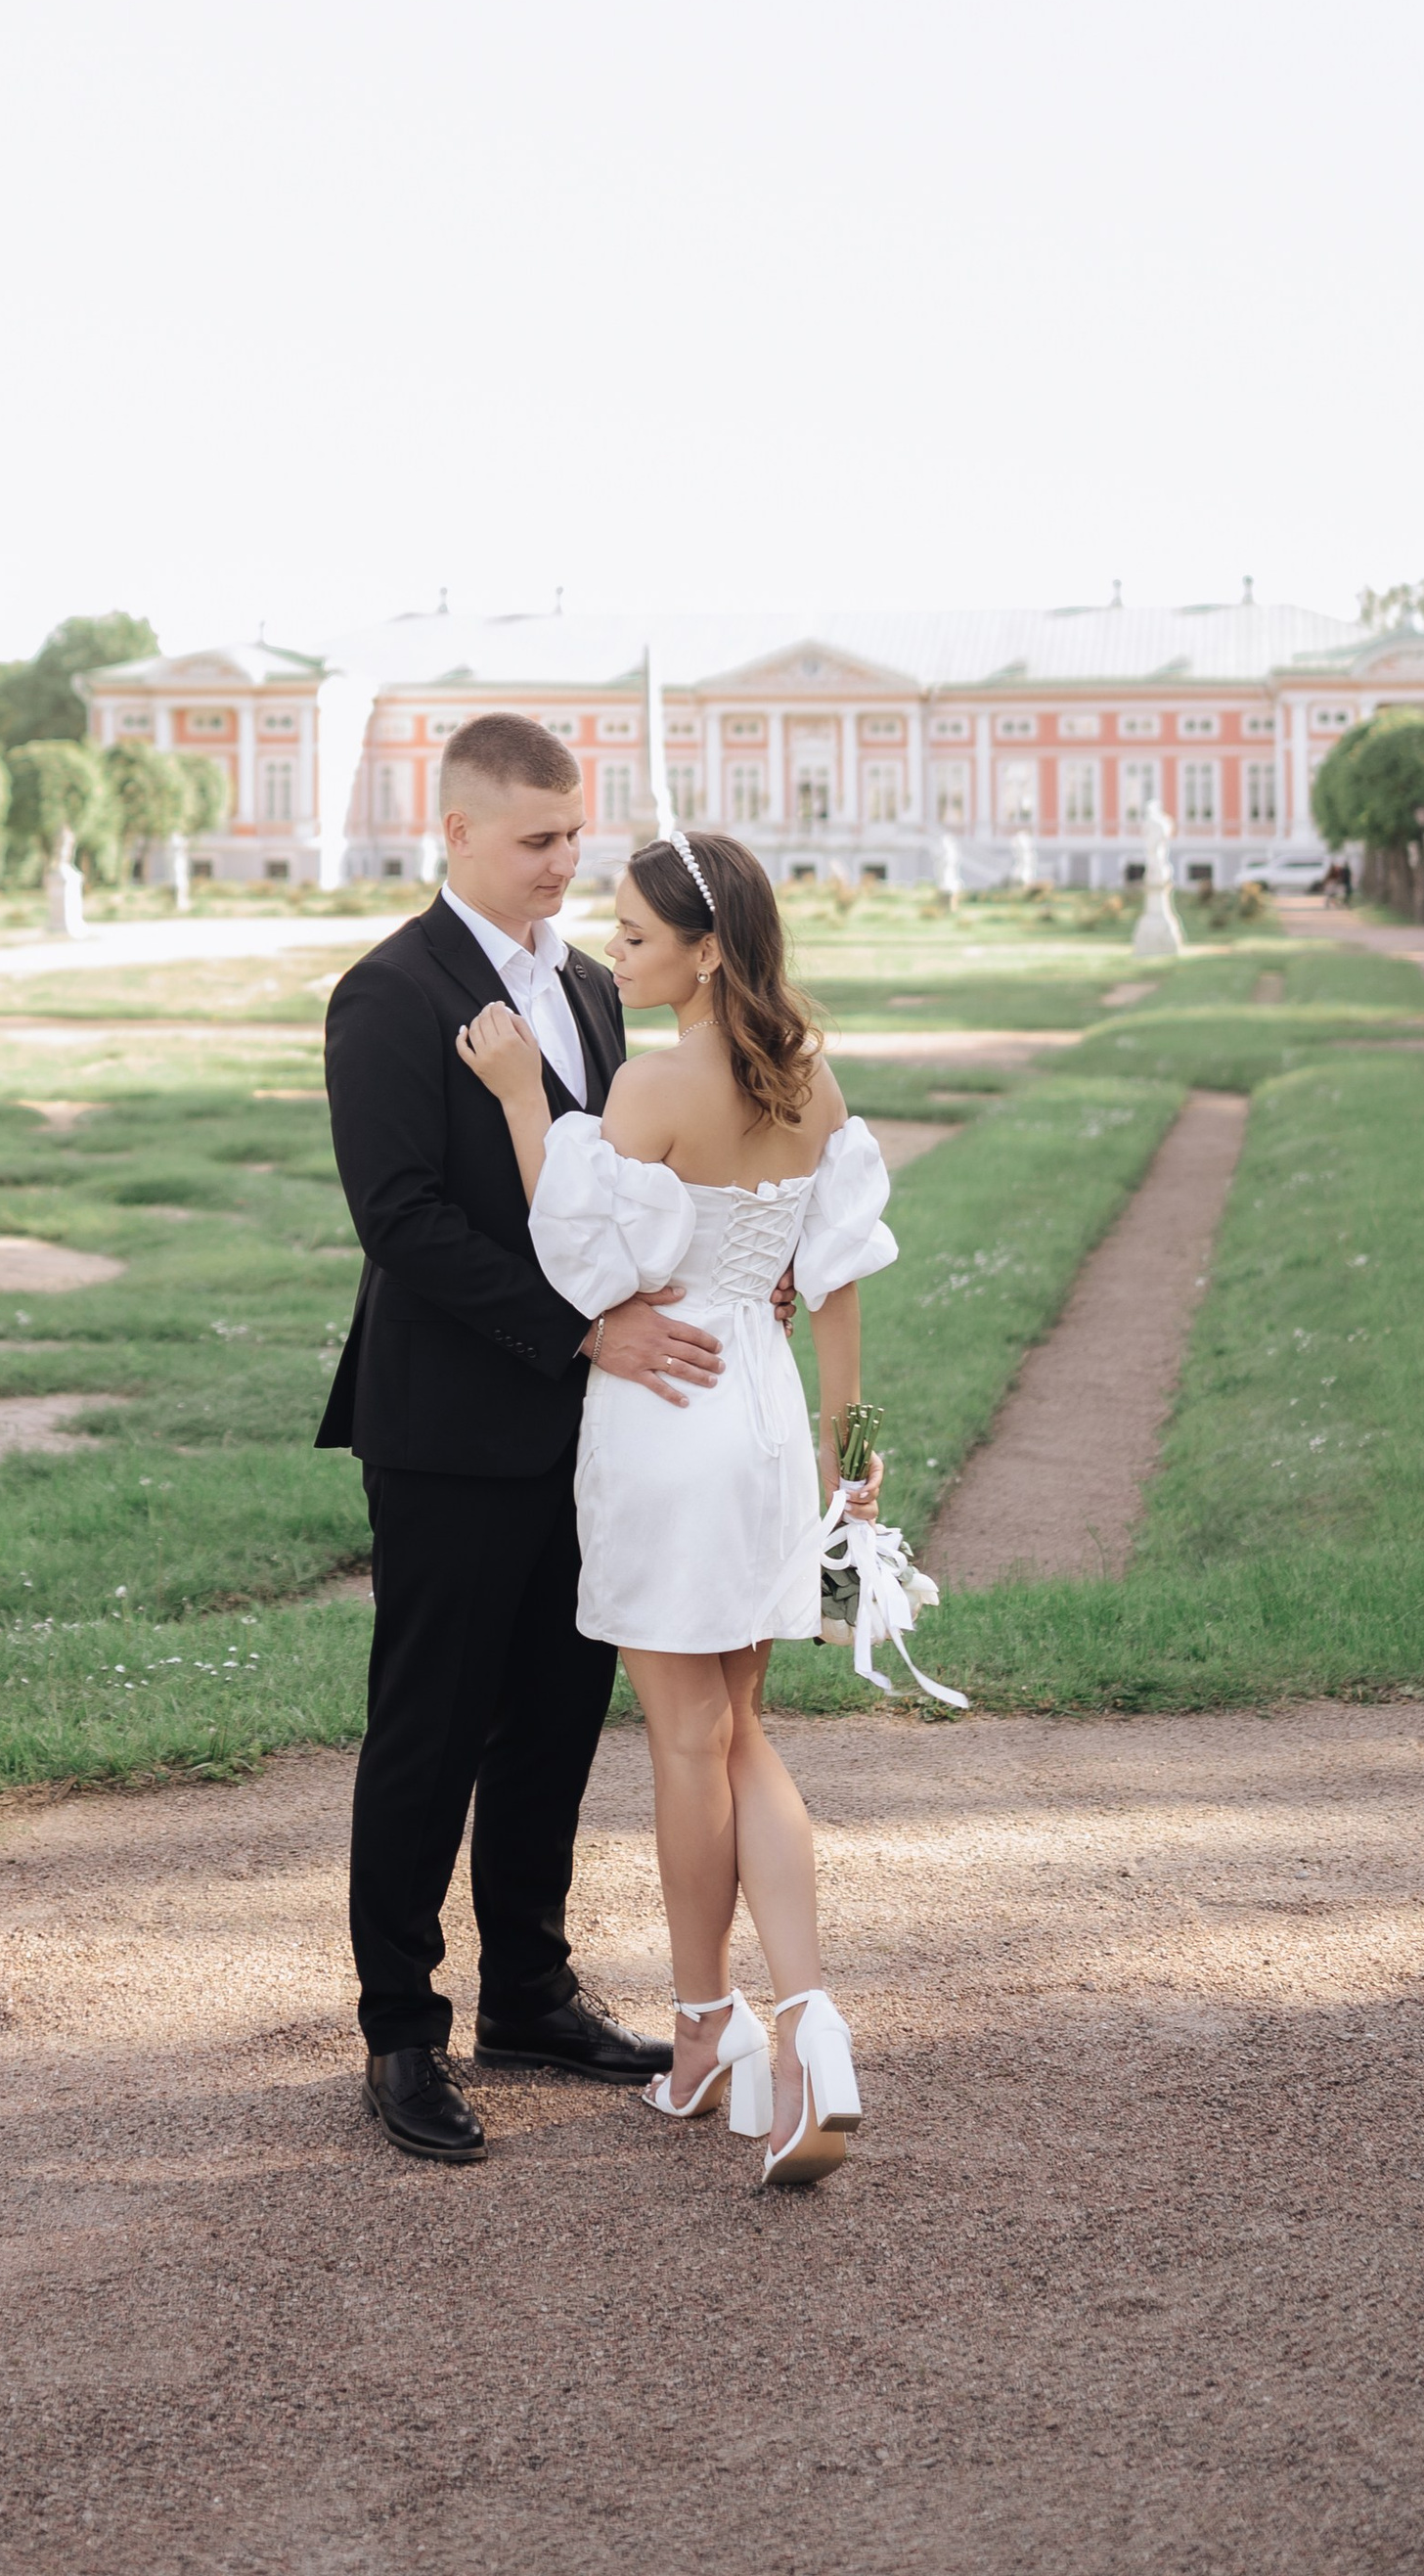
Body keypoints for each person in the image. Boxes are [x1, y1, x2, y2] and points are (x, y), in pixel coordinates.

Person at [320, 714, 776, 2164]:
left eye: (574, 834)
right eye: (536, 840)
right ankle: (402, 2026)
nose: (565, 864)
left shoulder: (591, 985)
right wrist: (585, 1331)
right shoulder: (384, 995)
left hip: (595, 1434)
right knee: (430, 1731)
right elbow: (402, 1222)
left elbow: (607, 1192)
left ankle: (529, 1989)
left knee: (555, 1724)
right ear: (450, 831)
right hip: (448, 1429)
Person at [457, 826, 897, 2187]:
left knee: (686, 1740)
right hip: (768, 1426)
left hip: (667, 1427)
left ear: (708, 951)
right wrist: (853, 1458)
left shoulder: (650, 1089)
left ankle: (708, 2032)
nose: (614, 953)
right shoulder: (810, 1081)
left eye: (638, 936)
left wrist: (526, 1099)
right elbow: (833, 1286)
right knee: (741, 1728)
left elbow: (585, 1265)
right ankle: (806, 2026)